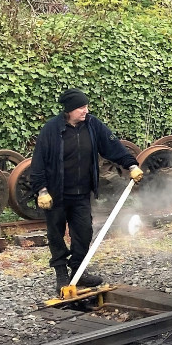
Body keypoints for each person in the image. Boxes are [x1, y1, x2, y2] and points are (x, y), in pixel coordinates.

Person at [29, 88, 144, 295]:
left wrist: (131, 165)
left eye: (86, 106)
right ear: (70, 110)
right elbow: (38, 163)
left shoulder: (93, 125)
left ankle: (79, 270)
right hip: (56, 194)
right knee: (56, 234)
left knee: (83, 232)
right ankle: (61, 273)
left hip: (82, 193)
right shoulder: (51, 130)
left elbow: (112, 146)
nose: (86, 110)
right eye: (81, 107)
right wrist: (41, 190)